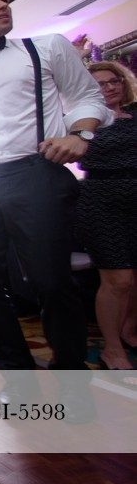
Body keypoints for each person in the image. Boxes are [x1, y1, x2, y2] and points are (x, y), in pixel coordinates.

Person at [0, 0, 112, 410]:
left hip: (35, 173)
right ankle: (16, 378)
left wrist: (80, 135)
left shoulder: (46, 48)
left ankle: (72, 382)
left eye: (4, 0)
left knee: (51, 282)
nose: (3, 6)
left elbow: (87, 96)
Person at [75, 61, 136, 369]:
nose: (110, 87)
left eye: (114, 81)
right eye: (100, 84)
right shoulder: (81, 120)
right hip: (102, 201)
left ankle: (129, 330)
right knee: (118, 279)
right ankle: (112, 348)